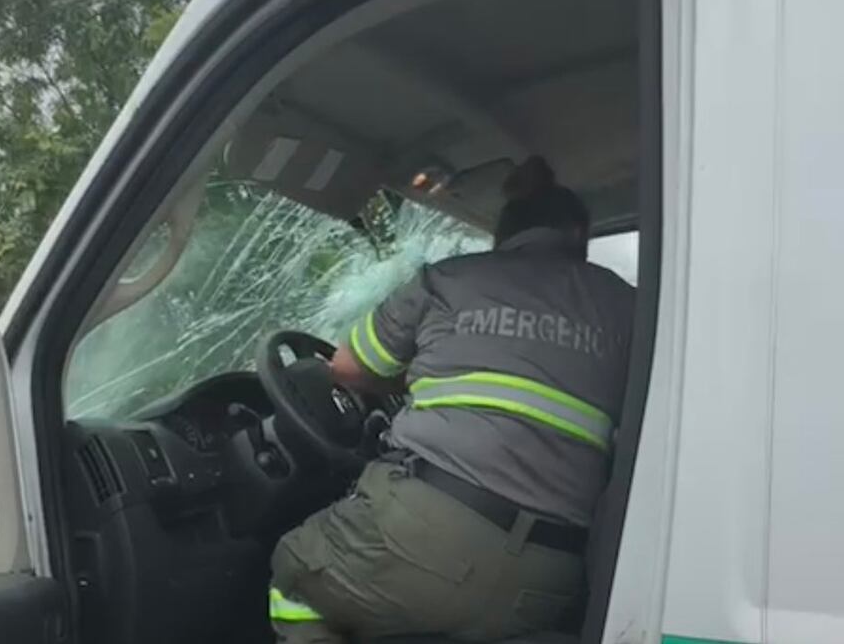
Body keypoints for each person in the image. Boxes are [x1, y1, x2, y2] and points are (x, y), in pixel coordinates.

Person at [269, 157, 635, 643]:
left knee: (294, 575)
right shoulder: (631, 309)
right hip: (552, 580)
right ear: (578, 234)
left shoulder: (448, 280)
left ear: (503, 235)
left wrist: (406, 385)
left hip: (422, 536)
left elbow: (346, 368)